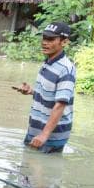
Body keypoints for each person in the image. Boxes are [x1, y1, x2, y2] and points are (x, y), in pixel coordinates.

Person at [14, 22, 76, 153]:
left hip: (50, 137)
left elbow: (60, 105)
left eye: (51, 39)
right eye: (44, 38)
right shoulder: (48, 62)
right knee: (26, 170)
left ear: (64, 42)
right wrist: (31, 91)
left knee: (43, 172)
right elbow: (50, 94)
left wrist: (44, 135)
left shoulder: (66, 69)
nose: (45, 42)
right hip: (36, 130)